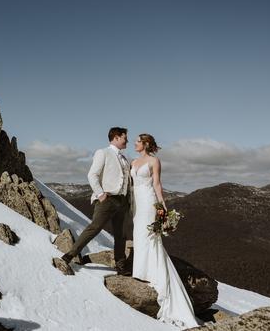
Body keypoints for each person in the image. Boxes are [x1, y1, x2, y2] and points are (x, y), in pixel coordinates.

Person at [130, 134, 198, 328]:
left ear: (146, 144)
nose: (135, 144)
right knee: (139, 236)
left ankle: (153, 275)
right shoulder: (134, 161)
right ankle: (140, 271)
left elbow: (157, 184)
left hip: (149, 202)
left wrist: (163, 208)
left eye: (137, 141)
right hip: (137, 203)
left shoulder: (154, 161)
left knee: (150, 237)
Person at [61, 127, 132, 276]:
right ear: (116, 137)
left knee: (121, 235)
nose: (127, 140)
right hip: (108, 200)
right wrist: (100, 194)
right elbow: (92, 175)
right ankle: (69, 255)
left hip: (123, 201)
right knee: (94, 228)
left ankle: (120, 265)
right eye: (125, 137)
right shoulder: (103, 152)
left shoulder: (125, 159)